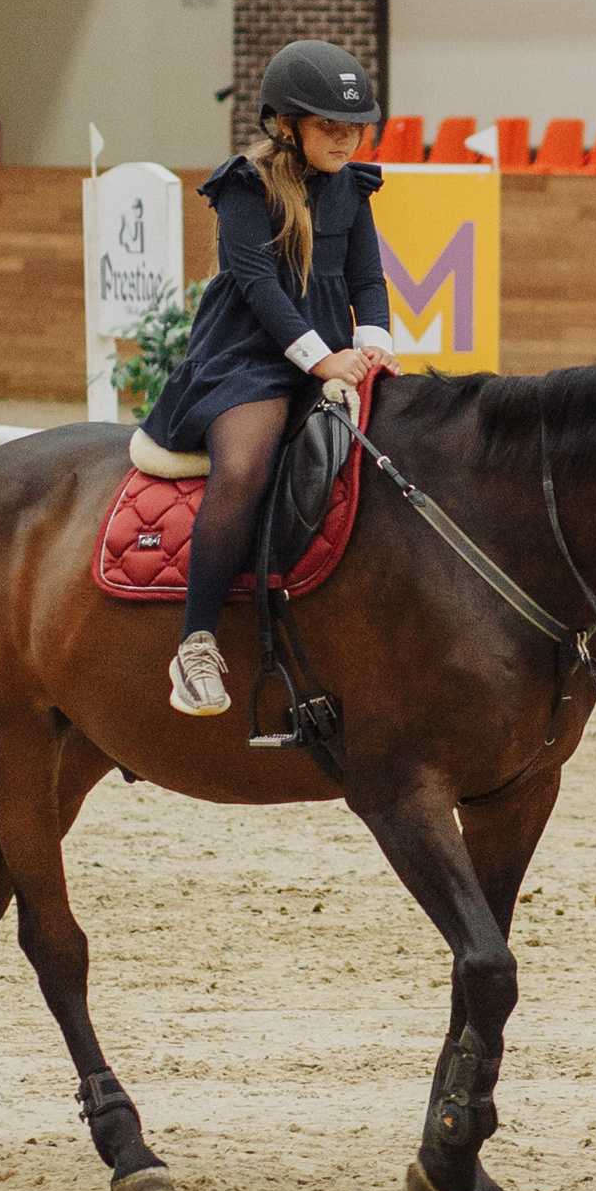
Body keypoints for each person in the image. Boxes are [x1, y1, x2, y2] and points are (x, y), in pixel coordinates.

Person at [137, 39, 398, 718]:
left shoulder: (352, 186)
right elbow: (257, 286)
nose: (345, 138)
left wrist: (373, 346)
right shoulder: (244, 187)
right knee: (247, 466)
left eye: (354, 126)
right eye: (328, 126)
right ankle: (195, 643)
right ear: (285, 124)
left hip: (331, 354)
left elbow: (369, 279)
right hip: (246, 357)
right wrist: (321, 361)